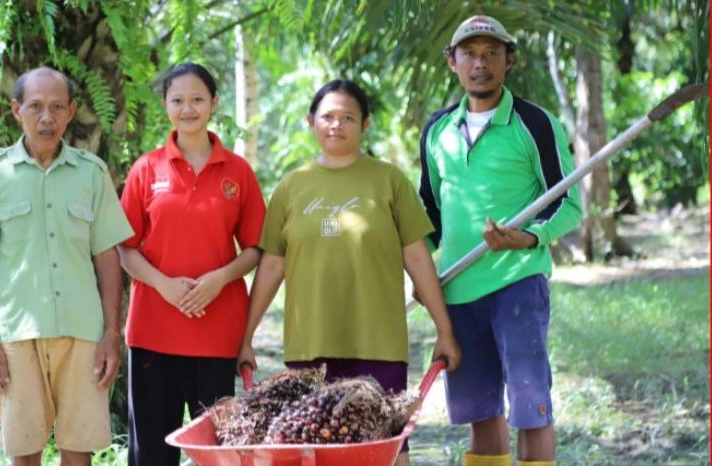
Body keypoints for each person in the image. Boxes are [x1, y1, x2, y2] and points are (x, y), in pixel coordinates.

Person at [238, 79, 461, 466]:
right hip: (310, 345)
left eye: (347, 117)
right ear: (311, 122)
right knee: (312, 449)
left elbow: (419, 258)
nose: (336, 125)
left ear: (365, 125)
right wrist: (245, 337)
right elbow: (271, 265)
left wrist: (445, 330)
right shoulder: (291, 187)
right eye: (327, 117)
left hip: (378, 343)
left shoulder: (389, 181)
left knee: (386, 450)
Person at [418, 15, 583, 466]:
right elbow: (428, 215)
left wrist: (527, 238)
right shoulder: (437, 131)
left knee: (531, 410)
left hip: (518, 285)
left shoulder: (535, 123)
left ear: (509, 60)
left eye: (492, 53)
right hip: (458, 288)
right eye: (469, 53)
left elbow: (569, 205)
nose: (480, 63)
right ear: (452, 62)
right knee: (481, 412)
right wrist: (413, 266)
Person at [0, 67, 134, 466]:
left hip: (82, 334)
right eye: (35, 106)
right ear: (17, 110)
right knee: (24, 454)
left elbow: (108, 257)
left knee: (78, 453)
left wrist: (110, 334)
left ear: (71, 112)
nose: (46, 118)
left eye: (56, 107)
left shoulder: (92, 173)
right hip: (16, 335)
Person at [118, 62, 266, 466]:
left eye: (197, 99)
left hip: (217, 333)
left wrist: (221, 278)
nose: (188, 108)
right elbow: (125, 248)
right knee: (151, 453)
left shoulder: (238, 172)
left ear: (214, 103)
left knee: (218, 452)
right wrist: (163, 284)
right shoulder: (146, 169)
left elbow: (256, 248)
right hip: (153, 333)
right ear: (165, 104)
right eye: (178, 100)